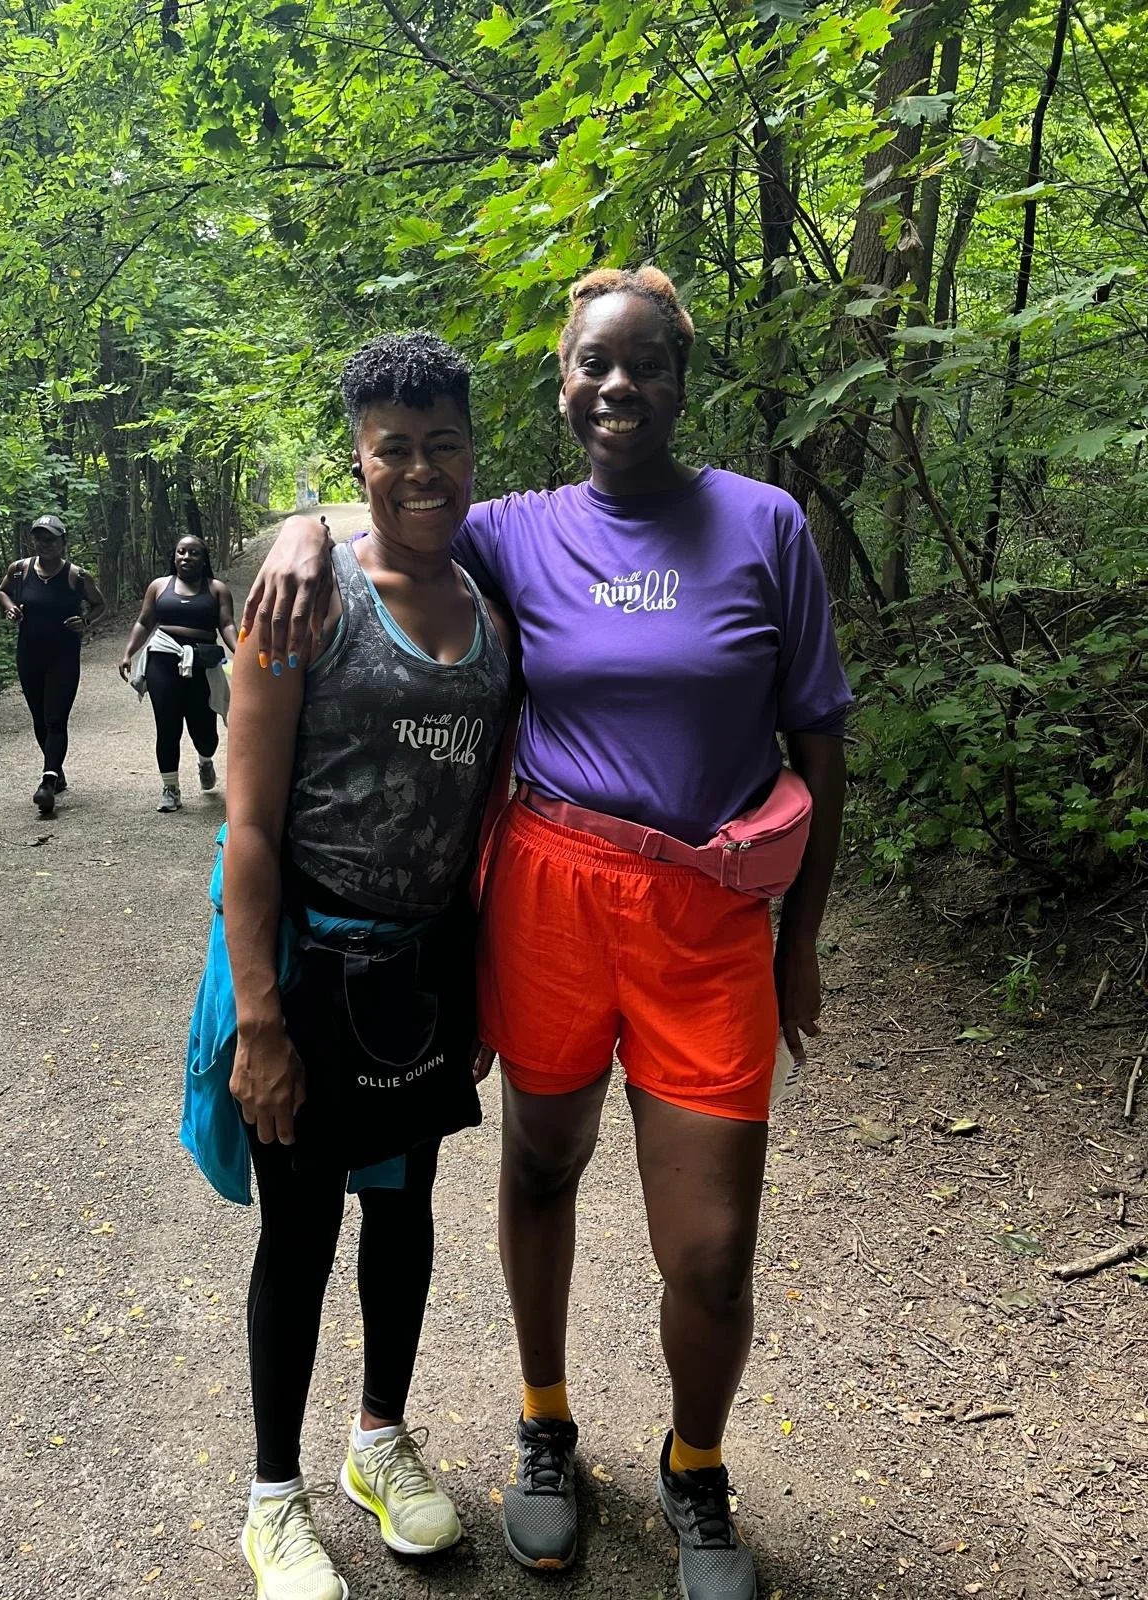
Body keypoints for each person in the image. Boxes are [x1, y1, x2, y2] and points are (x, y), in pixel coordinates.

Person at [243, 269, 850, 1600]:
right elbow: (400, 503)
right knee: (538, 1166)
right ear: (563, 382)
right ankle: (544, 1426)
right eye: (593, 365)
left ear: (683, 378)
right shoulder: (515, 530)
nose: (618, 387)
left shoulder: (764, 526)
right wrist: (301, 523)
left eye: (644, 366)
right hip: (555, 897)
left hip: (706, 915)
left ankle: (696, 1470)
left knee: (708, 1243)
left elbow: (821, 739)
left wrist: (801, 936)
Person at [201, 333, 511, 1600]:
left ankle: (379, 1438)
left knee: (406, 1208)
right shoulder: (304, 604)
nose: (422, 470)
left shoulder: (493, 600)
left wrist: (479, 978)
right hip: (306, 965)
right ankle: (273, 1499)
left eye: (444, 443)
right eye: (394, 448)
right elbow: (253, 824)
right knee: (302, 1226)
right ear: (359, 458)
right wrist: (261, 1019)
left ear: (473, 450)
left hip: (424, 972)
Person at [0, 514, 107, 817]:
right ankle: (55, 768)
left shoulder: (77, 576)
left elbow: (100, 605)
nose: (45, 545)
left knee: (55, 717)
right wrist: (10, 609)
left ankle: (47, 783)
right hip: (29, 653)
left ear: (63, 543)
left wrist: (84, 621)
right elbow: (3, 591)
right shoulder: (19, 570)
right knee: (39, 718)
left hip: (63, 655)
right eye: (40, 539)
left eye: (52, 539)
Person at [119, 535, 238, 812]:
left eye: (194, 553)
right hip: (162, 658)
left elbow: (227, 624)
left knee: (204, 729)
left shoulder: (217, 589)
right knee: (167, 724)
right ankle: (170, 788)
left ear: (203, 558)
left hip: (202, 661)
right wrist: (128, 653)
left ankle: (205, 759)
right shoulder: (159, 587)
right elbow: (144, 622)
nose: (186, 557)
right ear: (174, 557)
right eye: (181, 552)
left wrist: (242, 652)